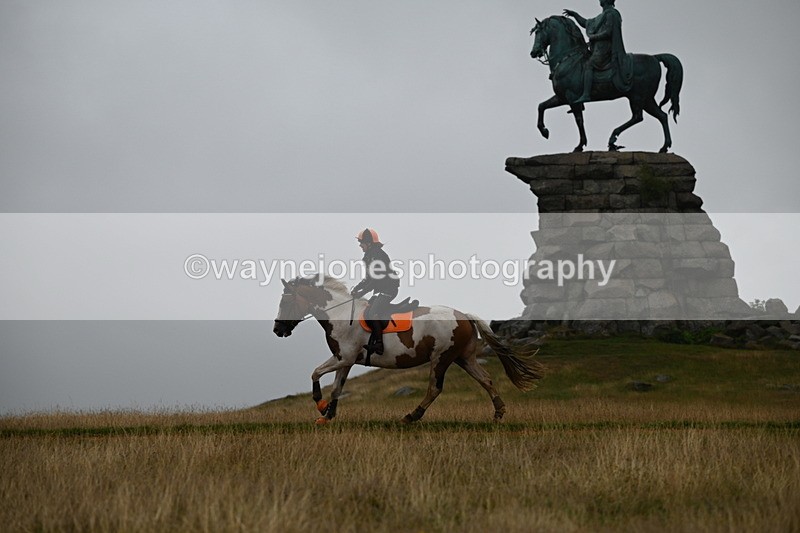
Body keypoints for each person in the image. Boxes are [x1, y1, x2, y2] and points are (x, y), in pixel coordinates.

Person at [563, 0, 632, 104]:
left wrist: (594, 37)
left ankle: (586, 94)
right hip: (597, 48)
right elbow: (586, 23)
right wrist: (575, 15)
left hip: (606, 48)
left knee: (589, 65)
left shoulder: (612, 13)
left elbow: (609, 32)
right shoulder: (600, 16)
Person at [350, 228, 400, 356]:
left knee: (372, 313)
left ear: (369, 243)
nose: (360, 246)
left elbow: (375, 280)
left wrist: (361, 293)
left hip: (388, 289)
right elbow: (369, 278)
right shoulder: (369, 256)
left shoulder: (378, 255)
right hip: (380, 289)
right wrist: (356, 288)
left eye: (362, 243)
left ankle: (379, 344)